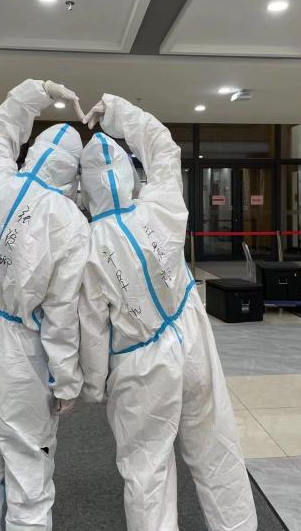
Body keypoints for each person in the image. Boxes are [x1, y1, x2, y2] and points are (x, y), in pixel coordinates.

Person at [78, 95, 257, 531]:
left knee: (148, 470)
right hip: (190, 338)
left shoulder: (88, 248)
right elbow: (163, 148)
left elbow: (92, 327)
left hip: (140, 365)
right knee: (216, 444)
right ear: (128, 175)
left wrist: (93, 384)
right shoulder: (160, 206)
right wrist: (118, 111)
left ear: (85, 188)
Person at [0, 79, 89, 531]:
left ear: (33, 153)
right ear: (72, 175)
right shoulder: (68, 220)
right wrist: (66, 382)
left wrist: (38, 91)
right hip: (17, 349)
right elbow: (61, 317)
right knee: (29, 468)